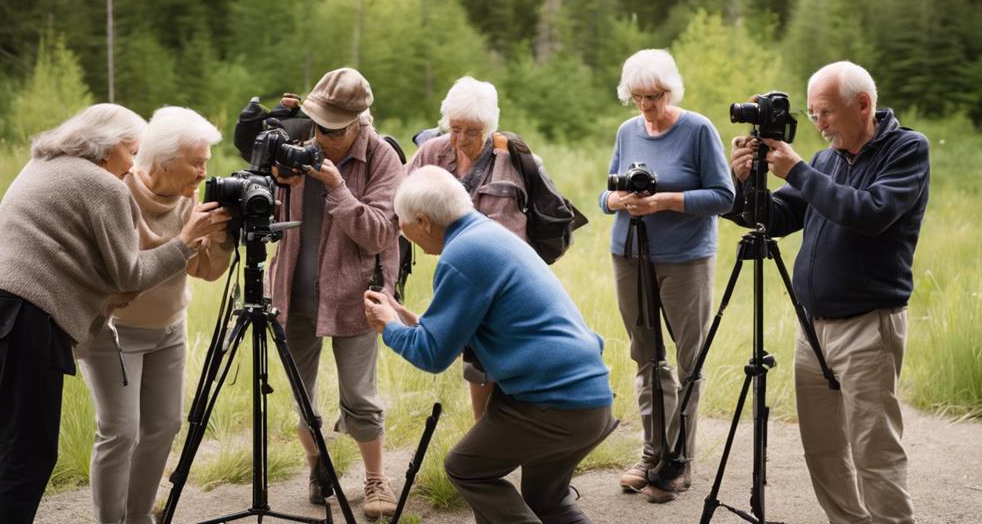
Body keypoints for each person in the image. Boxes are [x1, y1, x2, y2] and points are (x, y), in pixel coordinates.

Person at [0, 104, 227, 524]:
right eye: (131, 152)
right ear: (107, 149)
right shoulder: (103, 185)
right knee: (30, 456)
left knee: (17, 448)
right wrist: (186, 241)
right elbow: (129, 274)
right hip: (28, 316)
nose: (133, 166)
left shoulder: (43, 166)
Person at [728, 61, 929, 524]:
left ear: (863, 105)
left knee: (873, 450)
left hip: (867, 325)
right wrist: (745, 184)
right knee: (822, 449)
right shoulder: (826, 160)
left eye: (824, 114)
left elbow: (871, 211)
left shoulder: (906, 150)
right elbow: (776, 220)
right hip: (811, 326)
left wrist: (796, 170)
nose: (816, 126)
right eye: (812, 114)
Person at [363, 165, 617, 524]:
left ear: (423, 221)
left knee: (467, 468)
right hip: (589, 399)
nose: (401, 233)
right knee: (549, 502)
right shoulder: (485, 235)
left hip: (553, 403)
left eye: (401, 223)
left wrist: (388, 328)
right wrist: (411, 323)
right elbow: (456, 333)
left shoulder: (462, 254)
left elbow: (432, 356)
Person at [235, 68, 404, 520]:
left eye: (332, 128)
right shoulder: (295, 144)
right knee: (301, 395)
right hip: (293, 291)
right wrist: (261, 147)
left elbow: (382, 234)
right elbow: (257, 197)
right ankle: (319, 469)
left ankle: (375, 477)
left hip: (356, 295)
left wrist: (338, 188)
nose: (321, 136)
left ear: (359, 121)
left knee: (360, 396)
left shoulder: (383, 157)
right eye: (317, 124)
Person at [77, 106, 233, 524]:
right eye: (196, 162)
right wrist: (187, 237)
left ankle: (139, 516)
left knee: (164, 426)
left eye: (206, 162)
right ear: (163, 161)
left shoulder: (188, 197)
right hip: (115, 331)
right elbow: (125, 275)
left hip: (169, 329)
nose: (204, 172)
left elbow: (205, 271)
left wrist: (220, 241)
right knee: (120, 431)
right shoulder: (116, 193)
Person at [600, 49, 734, 502]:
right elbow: (609, 190)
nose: (646, 106)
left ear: (670, 91)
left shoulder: (697, 129)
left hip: (685, 259)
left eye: (653, 96)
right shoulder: (627, 131)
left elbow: (724, 196)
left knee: (687, 362)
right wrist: (614, 201)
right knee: (646, 358)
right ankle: (651, 452)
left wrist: (664, 201)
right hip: (630, 254)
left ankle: (678, 462)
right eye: (636, 97)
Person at [406, 76, 527, 422]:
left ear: (488, 128)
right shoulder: (432, 152)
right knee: (475, 360)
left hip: (503, 278)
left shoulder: (509, 160)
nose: (460, 140)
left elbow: (516, 230)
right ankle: (483, 438)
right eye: (455, 128)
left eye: (471, 131)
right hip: (459, 274)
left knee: (502, 355)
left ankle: (509, 437)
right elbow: (400, 200)